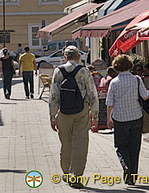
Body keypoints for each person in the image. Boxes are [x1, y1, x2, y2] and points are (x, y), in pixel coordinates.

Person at [49, 45, 99, 189]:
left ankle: (66, 172)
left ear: (65, 57)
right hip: (81, 111)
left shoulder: (58, 71)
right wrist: (95, 116)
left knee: (66, 143)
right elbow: (92, 94)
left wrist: (53, 117)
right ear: (78, 56)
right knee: (80, 144)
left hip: (63, 112)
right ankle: (76, 176)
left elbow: (54, 96)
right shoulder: (83, 71)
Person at [106, 54, 149, 185]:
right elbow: (145, 96)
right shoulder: (136, 80)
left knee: (121, 146)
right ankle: (133, 175)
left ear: (116, 67)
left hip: (120, 118)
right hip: (136, 116)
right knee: (134, 147)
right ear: (130, 66)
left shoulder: (114, 82)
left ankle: (126, 167)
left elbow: (109, 103)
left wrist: (109, 118)